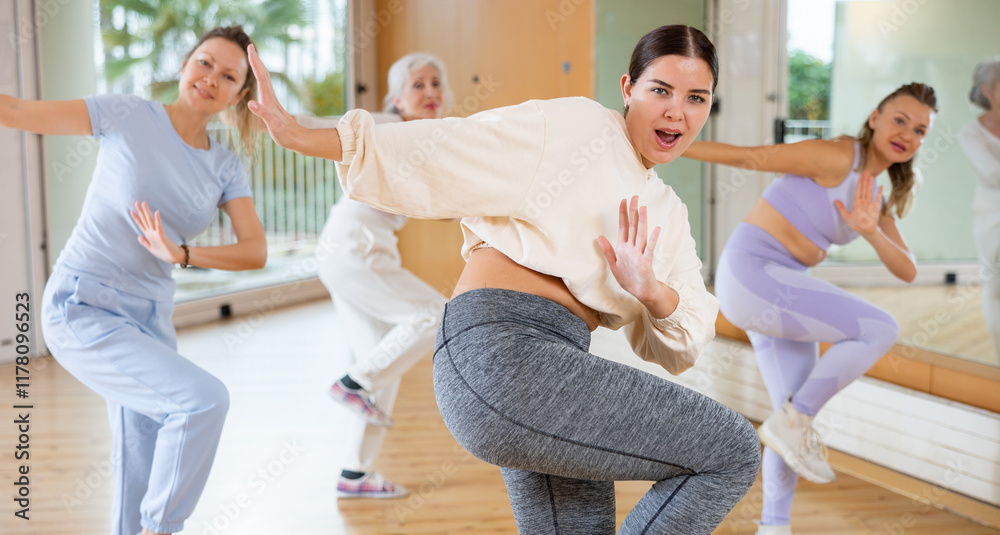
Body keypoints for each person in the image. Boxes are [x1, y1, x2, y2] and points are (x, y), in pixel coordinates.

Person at [249, 24, 761, 534]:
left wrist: (650, 289)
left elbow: (686, 340)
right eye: (660, 90)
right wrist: (304, 136)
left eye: (696, 97)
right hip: (503, 353)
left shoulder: (667, 214)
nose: (677, 111)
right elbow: (452, 144)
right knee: (733, 449)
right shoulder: (579, 128)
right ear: (628, 90)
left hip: (554, 364)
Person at [0, 26, 266, 535]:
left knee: (142, 457)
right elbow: (15, 112)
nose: (212, 79)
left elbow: (255, 251)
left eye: (229, 75)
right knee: (203, 401)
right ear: (187, 62)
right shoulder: (127, 114)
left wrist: (183, 253)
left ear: (240, 94)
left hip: (150, 320)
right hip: (83, 305)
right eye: (205, 63)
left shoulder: (225, 165)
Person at [683, 82, 936, 535]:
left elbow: (909, 269)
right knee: (879, 328)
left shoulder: (872, 194)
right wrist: (670, 144)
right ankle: (793, 421)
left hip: (781, 285)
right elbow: (751, 157)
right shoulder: (839, 156)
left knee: (790, 420)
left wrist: (872, 229)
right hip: (753, 271)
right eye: (900, 120)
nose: (908, 134)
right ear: (875, 117)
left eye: (920, 130)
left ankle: (774, 527)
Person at [309, 53, 453, 499]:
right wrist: (278, 117)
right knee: (436, 316)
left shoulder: (424, 138)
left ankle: (355, 474)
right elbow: (329, 125)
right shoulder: (384, 124)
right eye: (418, 84)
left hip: (347, 252)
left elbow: (440, 205)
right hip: (357, 250)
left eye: (435, 83)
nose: (430, 92)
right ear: (396, 98)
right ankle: (352, 382)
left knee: (381, 362)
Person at [960, 58, 1000, 359]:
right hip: (993, 220)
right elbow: (991, 174)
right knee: (996, 289)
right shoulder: (971, 133)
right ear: (988, 90)